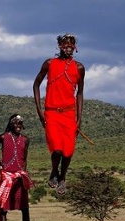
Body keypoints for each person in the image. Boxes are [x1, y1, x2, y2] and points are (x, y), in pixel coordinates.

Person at [33, 33, 85, 195]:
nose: (68, 47)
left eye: (71, 44)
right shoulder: (49, 63)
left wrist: (79, 119)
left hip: (69, 114)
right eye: (65, 44)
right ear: (59, 46)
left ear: (75, 47)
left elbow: (80, 94)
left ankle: (62, 178)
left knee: (68, 150)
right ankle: (54, 170)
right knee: (56, 149)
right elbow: (36, 86)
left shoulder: (79, 68)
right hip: (52, 113)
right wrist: (40, 112)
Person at [0, 114, 34, 221]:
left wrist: (23, 172)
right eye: (16, 123)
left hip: (20, 177)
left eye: (20, 123)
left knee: (25, 209)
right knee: (3, 209)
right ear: (11, 124)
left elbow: (25, 157)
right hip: (6, 176)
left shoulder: (25, 140)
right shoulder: (3, 137)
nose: (18, 126)